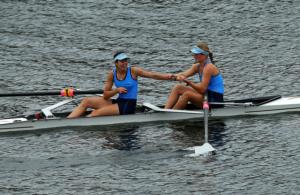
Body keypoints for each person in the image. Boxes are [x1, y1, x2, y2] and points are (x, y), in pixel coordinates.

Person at [68, 51, 175, 118]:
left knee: (96, 113)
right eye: (121, 61)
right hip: (119, 101)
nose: (124, 63)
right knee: (86, 101)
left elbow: (152, 75)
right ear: (116, 63)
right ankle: (68, 121)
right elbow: (105, 95)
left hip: (128, 105)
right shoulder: (112, 74)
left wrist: (169, 76)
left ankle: (82, 123)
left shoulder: (133, 71)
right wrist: (116, 90)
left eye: (126, 60)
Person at [165, 41, 224, 109]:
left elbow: (202, 89)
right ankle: (166, 111)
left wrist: (189, 82)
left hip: (215, 100)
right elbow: (183, 74)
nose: (194, 55)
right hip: (205, 95)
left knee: (187, 94)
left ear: (204, 55)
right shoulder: (197, 66)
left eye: (196, 54)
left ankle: (172, 116)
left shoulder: (209, 67)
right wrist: (173, 76)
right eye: (194, 53)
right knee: (178, 87)